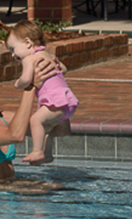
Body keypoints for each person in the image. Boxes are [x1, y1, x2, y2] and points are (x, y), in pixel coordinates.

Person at [6, 20, 79, 165]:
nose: (13, 55)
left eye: (13, 49)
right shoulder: (47, 54)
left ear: (27, 43)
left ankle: (37, 151)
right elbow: (63, 69)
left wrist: (17, 84)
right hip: (67, 101)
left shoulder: (29, 59)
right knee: (46, 127)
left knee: (35, 120)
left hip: (55, 101)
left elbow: (26, 80)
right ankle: (47, 154)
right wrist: (58, 64)